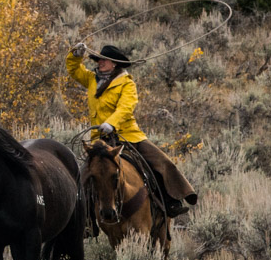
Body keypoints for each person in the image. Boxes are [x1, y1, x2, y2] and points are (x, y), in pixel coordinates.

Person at [67, 43, 198, 216]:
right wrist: (75, 56)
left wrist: (111, 123)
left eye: (104, 60)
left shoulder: (127, 83)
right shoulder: (92, 79)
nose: (100, 63)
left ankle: (172, 201)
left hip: (128, 135)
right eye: (99, 60)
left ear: (114, 64)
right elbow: (74, 70)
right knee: (83, 178)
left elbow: (126, 107)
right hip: (99, 139)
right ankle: (83, 221)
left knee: (162, 162)